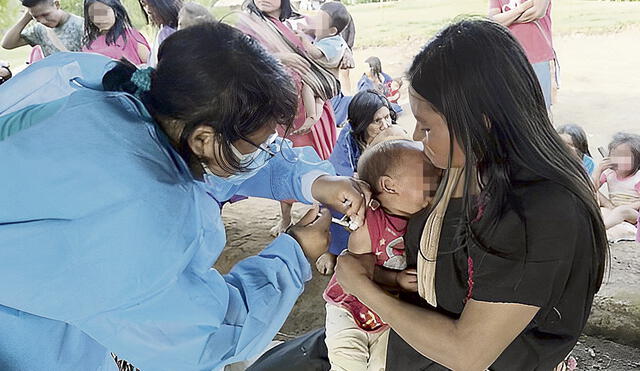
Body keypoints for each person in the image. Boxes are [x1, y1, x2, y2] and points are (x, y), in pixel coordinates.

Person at [0, 22, 369, 371]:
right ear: (203, 139)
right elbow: (200, 337)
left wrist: (311, 180)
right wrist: (294, 253)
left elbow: (219, 164)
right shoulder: (141, 215)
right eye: (258, 144)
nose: (265, 151)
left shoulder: (130, 99)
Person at [333, 18, 608, 371]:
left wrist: (361, 287)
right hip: (412, 344)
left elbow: (468, 353)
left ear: (481, 122)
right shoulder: (465, 166)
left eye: (428, 126)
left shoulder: (539, 214)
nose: (417, 135)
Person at [324, 140, 442, 371]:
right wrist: (395, 279)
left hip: (387, 314)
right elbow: (357, 272)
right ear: (389, 186)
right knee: (347, 361)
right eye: (427, 174)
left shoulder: (422, 218)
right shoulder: (370, 222)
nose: (436, 177)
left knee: (383, 365)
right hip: (349, 307)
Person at [236, 0, 340, 237]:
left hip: (311, 111)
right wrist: (279, 59)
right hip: (281, 114)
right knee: (285, 163)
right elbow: (240, 66)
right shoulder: (248, 27)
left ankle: (321, 218)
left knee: (318, 165)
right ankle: (285, 218)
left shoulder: (290, 25)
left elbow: (316, 61)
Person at [316, 89, 397, 275]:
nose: (386, 125)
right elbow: (339, 176)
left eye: (387, 117)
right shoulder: (347, 141)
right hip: (357, 193)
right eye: (377, 121)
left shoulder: (394, 134)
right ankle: (333, 250)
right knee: (337, 201)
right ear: (361, 124)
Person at [488, 0, 555, 109]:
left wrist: (508, 19)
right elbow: (493, 21)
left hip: (538, 56)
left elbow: (538, 12)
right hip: (509, 58)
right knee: (513, 107)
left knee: (541, 108)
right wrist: (522, 8)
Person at [295, 1, 349, 135]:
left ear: (332, 31)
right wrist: (307, 30)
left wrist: (303, 39)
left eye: (320, 21)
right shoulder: (330, 35)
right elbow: (316, 31)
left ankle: (312, 115)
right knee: (319, 98)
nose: (315, 22)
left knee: (308, 87)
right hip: (328, 82)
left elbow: (316, 53)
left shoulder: (331, 43)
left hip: (327, 81)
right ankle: (315, 117)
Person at [593, 132, 640, 241]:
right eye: (615, 156)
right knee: (601, 209)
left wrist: (628, 207)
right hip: (613, 209)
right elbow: (591, 188)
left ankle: (599, 230)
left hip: (633, 214)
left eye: (624, 157)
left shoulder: (637, 178)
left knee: (622, 211)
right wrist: (598, 170)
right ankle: (605, 229)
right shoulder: (609, 173)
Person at [1, 0, 84, 58]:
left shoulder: (81, 25)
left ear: (57, 4)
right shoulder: (39, 30)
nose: (42, 21)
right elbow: (7, 44)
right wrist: (27, 17)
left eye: (45, 14)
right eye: (36, 17)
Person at [82, 0, 150, 65]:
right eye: (93, 15)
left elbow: (152, 65)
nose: (100, 19)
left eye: (104, 12)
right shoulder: (88, 46)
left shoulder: (132, 36)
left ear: (115, 10)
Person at [138, 0, 182, 67]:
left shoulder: (169, 32)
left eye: (152, 5)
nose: (148, 10)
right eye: (143, 4)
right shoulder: (163, 30)